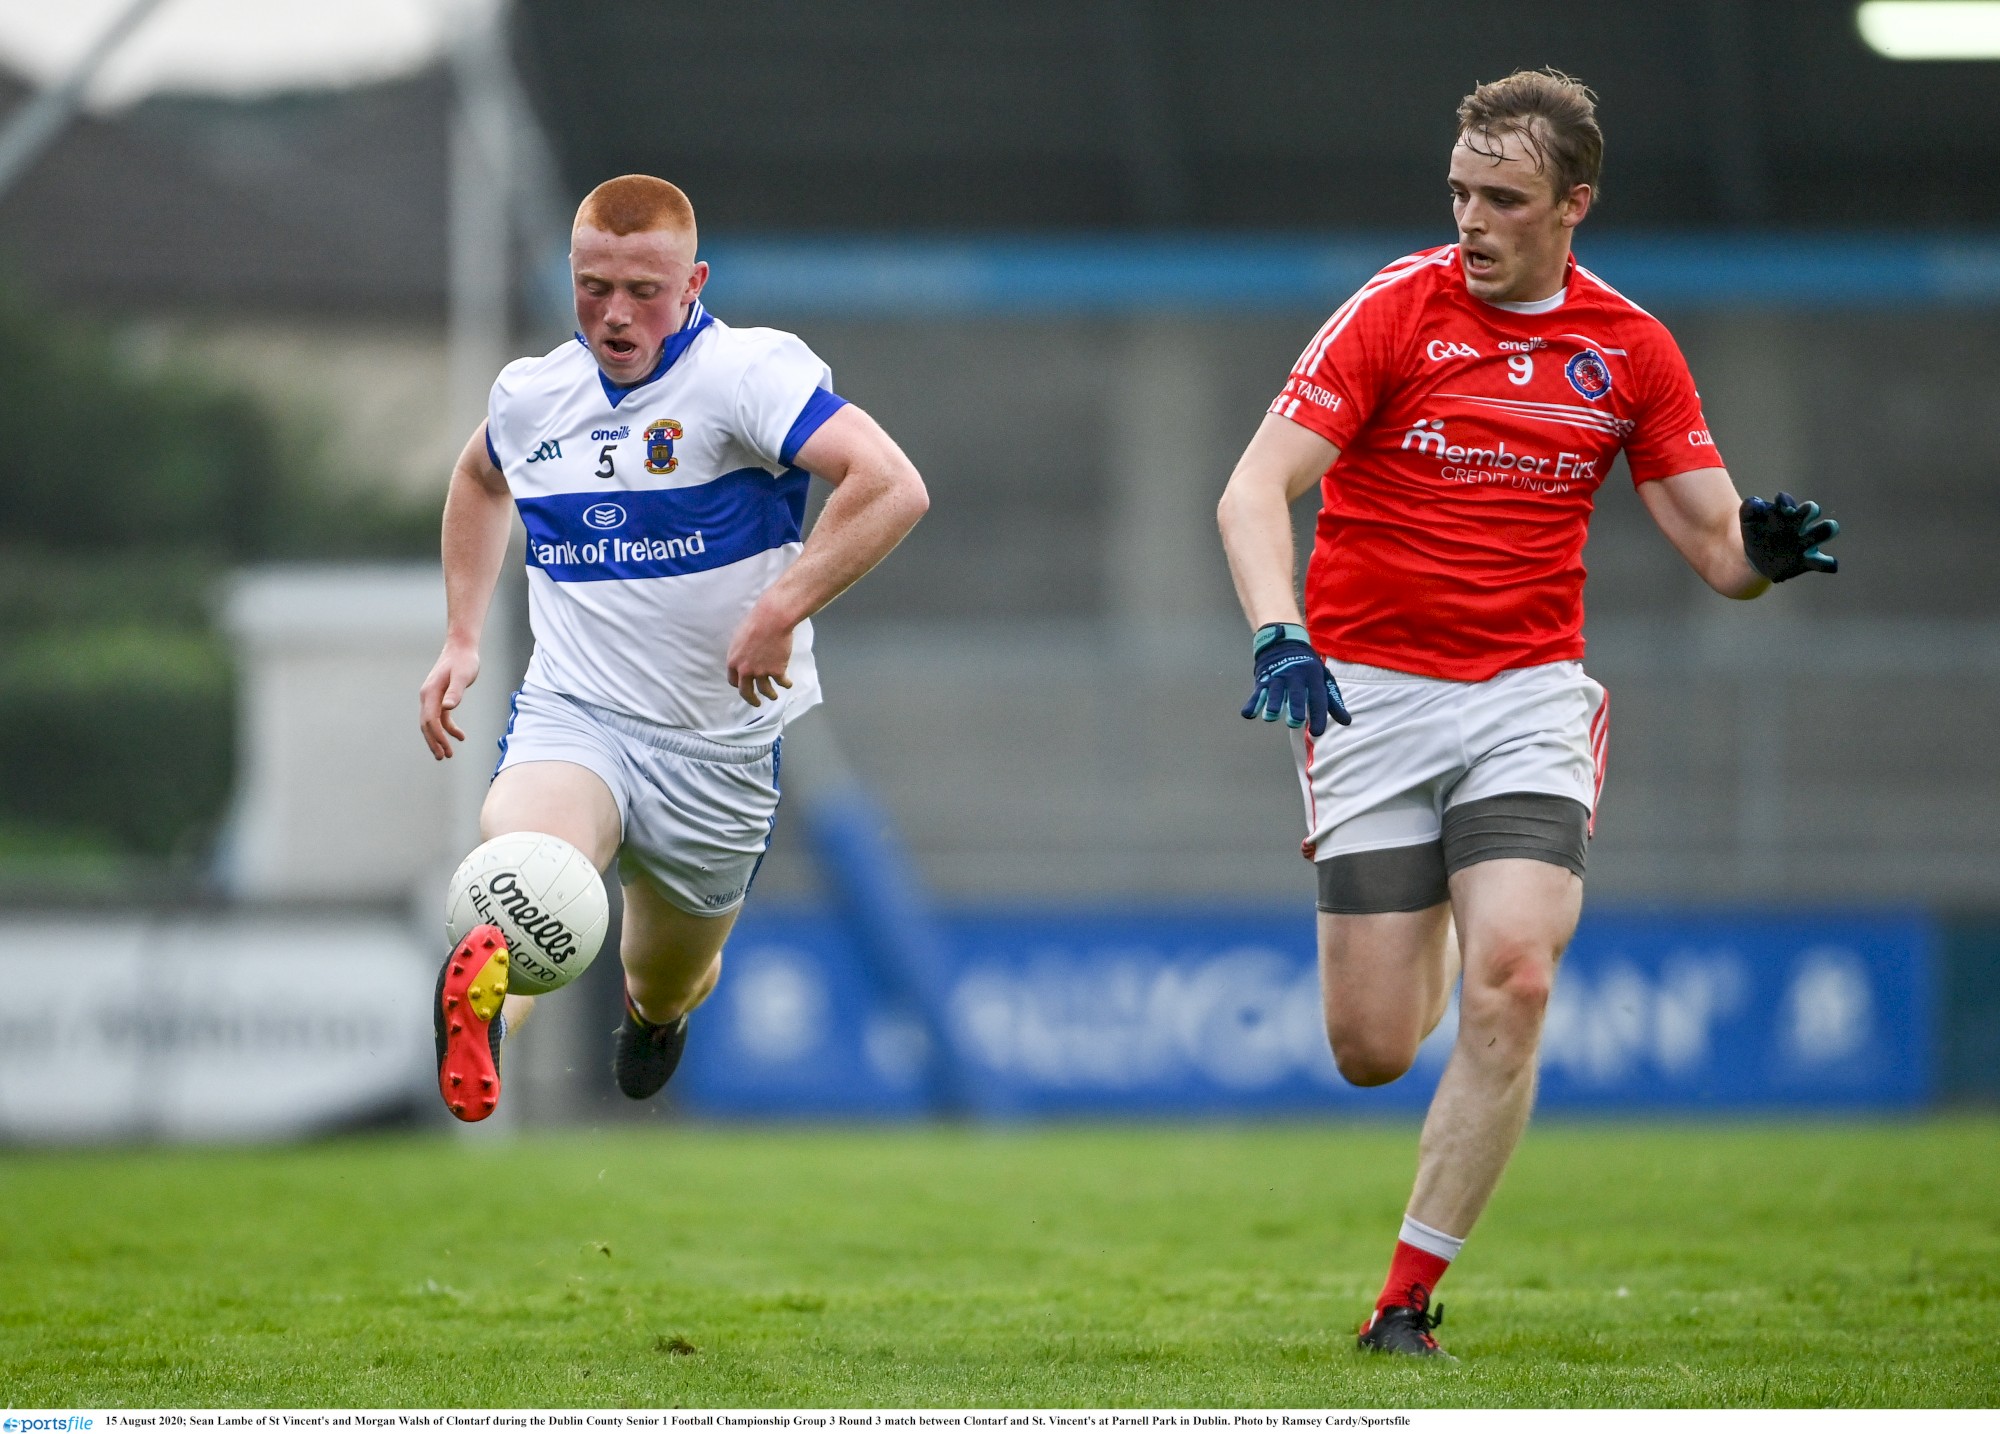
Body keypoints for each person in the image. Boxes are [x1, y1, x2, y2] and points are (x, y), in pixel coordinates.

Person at [1215, 70, 1839, 1358]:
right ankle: (1440, 896)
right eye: (1458, 193)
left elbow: (1714, 550)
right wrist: (1278, 629)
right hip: (1367, 695)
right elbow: (1251, 491)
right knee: (1374, 1047)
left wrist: (1761, 552)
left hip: (1525, 698)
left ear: (1572, 204)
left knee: (1517, 973)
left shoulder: (1629, 351)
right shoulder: (1393, 311)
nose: (1471, 220)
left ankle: (1402, 1303)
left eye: (1502, 198)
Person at [420, 174, 928, 1122]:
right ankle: (483, 1012)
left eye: (643, 290)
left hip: (718, 751)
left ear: (693, 282)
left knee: (666, 978)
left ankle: (655, 1019)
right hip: (578, 716)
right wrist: (460, 634)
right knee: (530, 871)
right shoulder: (534, 396)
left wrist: (785, 604)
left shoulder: (747, 375)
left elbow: (891, 483)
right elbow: (478, 478)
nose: (615, 315)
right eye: (592, 286)